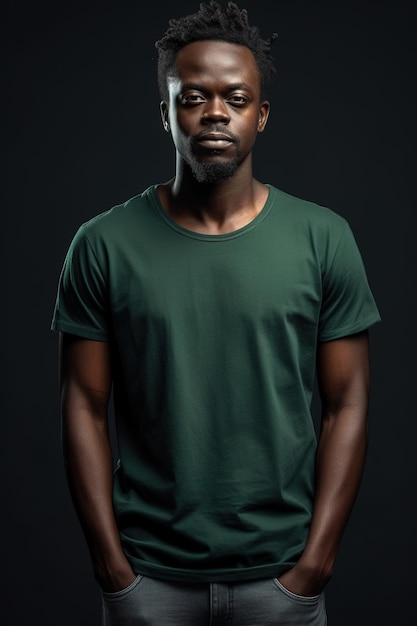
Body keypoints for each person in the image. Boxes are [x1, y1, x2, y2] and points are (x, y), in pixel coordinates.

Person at [52, 1, 381, 624]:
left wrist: (316, 564)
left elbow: (349, 403)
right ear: (166, 113)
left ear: (261, 114)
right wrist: (112, 569)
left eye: (235, 97)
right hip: (149, 581)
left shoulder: (324, 238)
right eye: (193, 96)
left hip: (281, 581)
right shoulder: (102, 245)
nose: (214, 114)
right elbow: (82, 405)